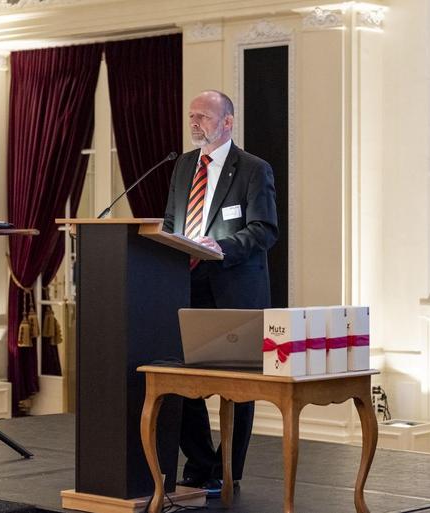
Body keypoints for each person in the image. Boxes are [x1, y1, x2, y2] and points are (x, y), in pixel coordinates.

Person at [162, 90, 279, 495]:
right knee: (181, 379)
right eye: (192, 116)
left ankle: (228, 468)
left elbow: (264, 230)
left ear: (228, 122)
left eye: (204, 117)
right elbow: (172, 221)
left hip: (234, 287)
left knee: (237, 386)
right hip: (187, 284)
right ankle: (200, 462)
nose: (195, 123)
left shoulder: (253, 169)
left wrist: (222, 247)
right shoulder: (183, 165)